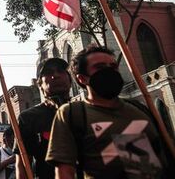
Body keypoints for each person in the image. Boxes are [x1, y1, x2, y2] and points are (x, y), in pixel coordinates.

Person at [46, 46, 169, 179]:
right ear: (82, 78)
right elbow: (64, 171)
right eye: (100, 67)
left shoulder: (139, 108)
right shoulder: (72, 114)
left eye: (113, 66)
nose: (109, 70)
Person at [15, 58, 71, 179]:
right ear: (39, 84)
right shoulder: (29, 118)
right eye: (49, 72)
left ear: (70, 80)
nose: (55, 75)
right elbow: (23, 165)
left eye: (60, 71)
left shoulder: (85, 110)